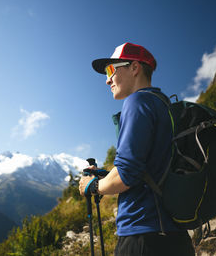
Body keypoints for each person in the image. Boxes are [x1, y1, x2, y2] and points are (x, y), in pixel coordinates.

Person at [79, 42, 195, 256]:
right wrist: (106, 176)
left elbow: (126, 176)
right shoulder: (163, 105)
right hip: (176, 235)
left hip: (143, 235)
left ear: (134, 68)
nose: (107, 79)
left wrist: (93, 186)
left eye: (110, 70)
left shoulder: (138, 101)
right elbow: (150, 166)